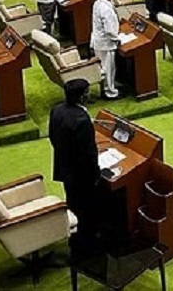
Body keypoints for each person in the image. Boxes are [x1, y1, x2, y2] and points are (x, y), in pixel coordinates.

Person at [48, 78, 101, 260]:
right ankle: (87, 249)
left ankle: (75, 241)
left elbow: (52, 137)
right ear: (82, 96)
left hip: (65, 168)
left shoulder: (57, 110)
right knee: (86, 210)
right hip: (82, 175)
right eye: (87, 92)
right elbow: (89, 153)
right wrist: (96, 174)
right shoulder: (82, 120)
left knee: (73, 203)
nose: (89, 95)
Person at [91, 0, 120, 100]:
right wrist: (118, 38)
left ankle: (107, 89)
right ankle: (110, 92)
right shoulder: (105, 8)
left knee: (104, 68)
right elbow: (109, 30)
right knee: (108, 69)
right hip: (106, 43)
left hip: (99, 41)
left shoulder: (98, 3)